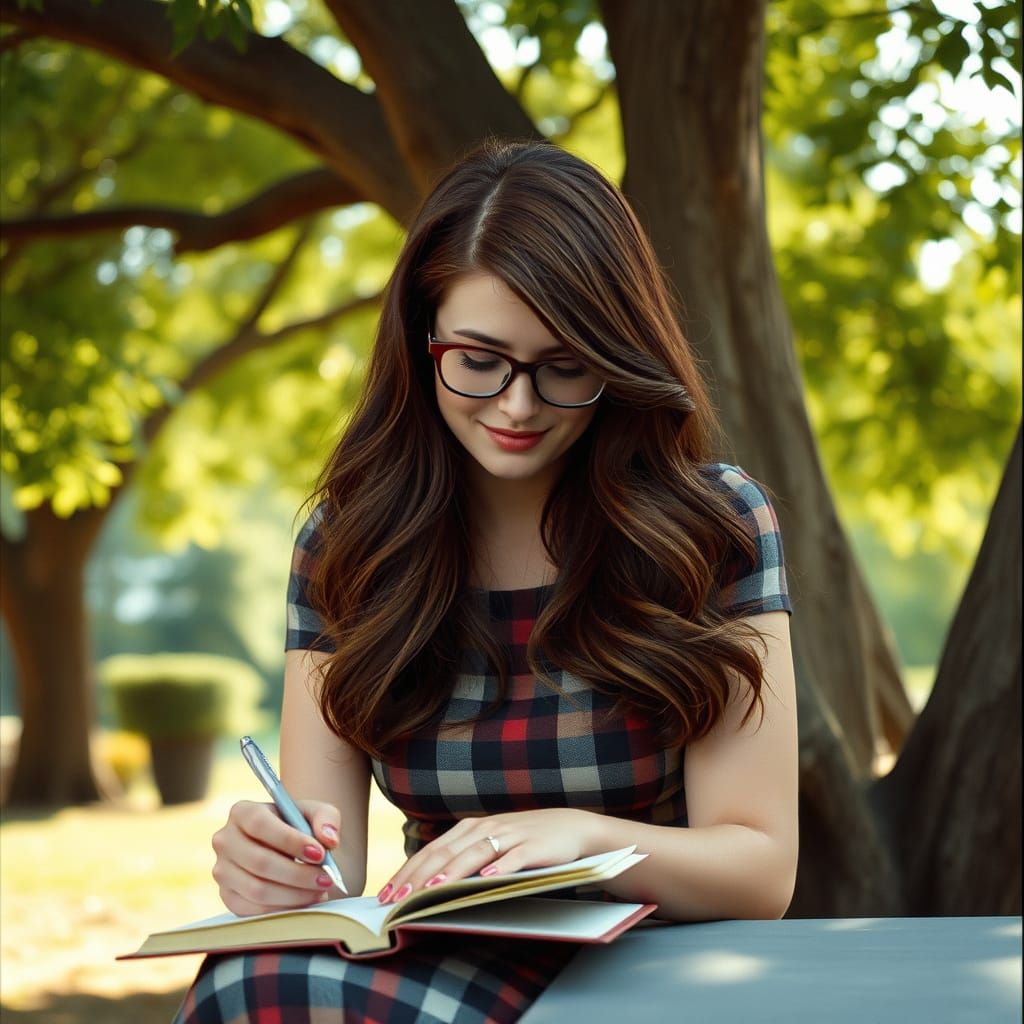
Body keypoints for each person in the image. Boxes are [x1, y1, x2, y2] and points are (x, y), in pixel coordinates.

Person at [174, 137, 798, 1024]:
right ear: (421, 341)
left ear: (616, 359)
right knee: (245, 984)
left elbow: (761, 870)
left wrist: (582, 839)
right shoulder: (350, 544)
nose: (517, 405)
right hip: (436, 957)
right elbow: (332, 875)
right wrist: (275, 866)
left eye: (564, 366)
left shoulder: (712, 525)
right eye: (478, 360)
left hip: (654, 962)